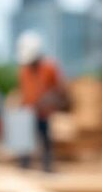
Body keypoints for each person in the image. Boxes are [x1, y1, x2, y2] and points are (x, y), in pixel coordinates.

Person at [16, 31, 65, 172]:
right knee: (24, 142)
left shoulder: (50, 67)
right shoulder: (24, 70)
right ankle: (24, 167)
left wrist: (48, 100)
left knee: (45, 140)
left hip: (43, 112)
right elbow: (23, 91)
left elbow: (59, 90)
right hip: (27, 111)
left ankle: (47, 167)